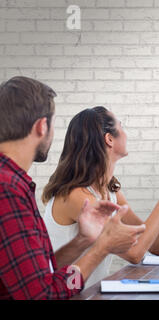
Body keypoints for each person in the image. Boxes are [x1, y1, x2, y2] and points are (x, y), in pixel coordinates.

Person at [0, 76, 145, 299]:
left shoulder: (14, 183)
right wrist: (100, 249)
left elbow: (43, 274)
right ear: (42, 126)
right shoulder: (8, 189)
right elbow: (45, 294)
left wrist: (82, 241)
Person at [42, 106, 159, 289]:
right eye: (121, 127)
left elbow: (156, 246)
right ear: (109, 139)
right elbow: (134, 254)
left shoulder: (110, 192)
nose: (126, 134)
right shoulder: (77, 197)